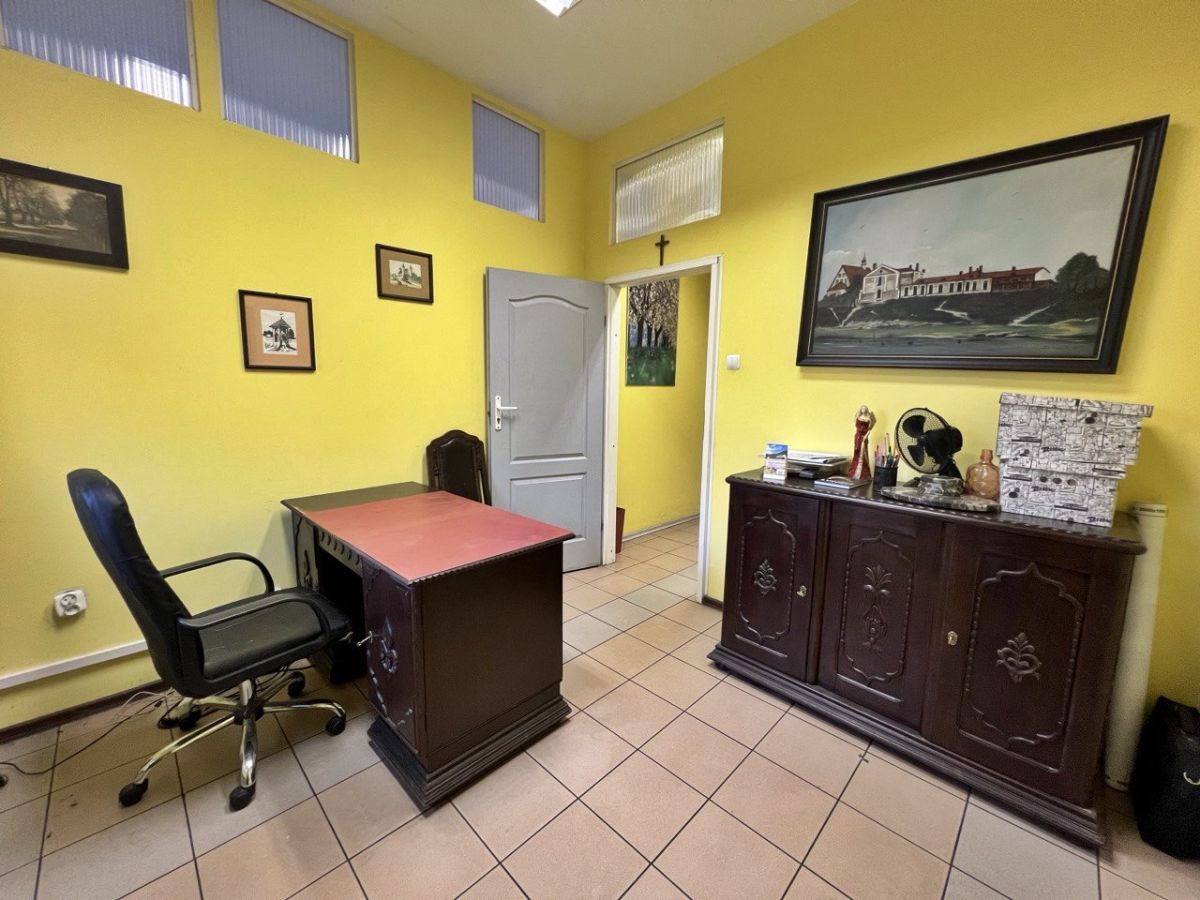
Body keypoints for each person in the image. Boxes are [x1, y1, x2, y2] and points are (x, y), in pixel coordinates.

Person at [848, 405, 876, 480]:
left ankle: (863, 474)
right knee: (856, 452)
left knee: (863, 453)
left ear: (866, 410)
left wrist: (866, 436)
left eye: (865, 408)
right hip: (858, 436)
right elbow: (856, 426)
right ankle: (854, 473)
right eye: (862, 408)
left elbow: (869, 429)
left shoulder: (868, 419)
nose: (863, 410)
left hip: (864, 437)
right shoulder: (858, 417)